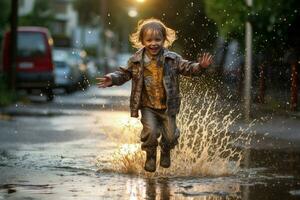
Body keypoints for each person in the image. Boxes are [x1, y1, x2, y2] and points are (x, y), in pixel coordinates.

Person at [96, 18, 212, 172]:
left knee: (170, 136)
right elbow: (124, 73)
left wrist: (200, 67)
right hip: (147, 106)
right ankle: (150, 155)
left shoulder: (172, 58)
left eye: (158, 39)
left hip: (167, 107)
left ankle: (165, 150)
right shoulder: (136, 60)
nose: (154, 43)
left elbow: (188, 67)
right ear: (142, 41)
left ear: (164, 40)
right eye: (149, 40)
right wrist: (113, 78)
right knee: (150, 132)